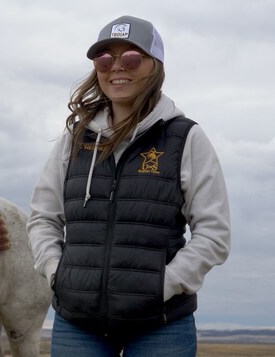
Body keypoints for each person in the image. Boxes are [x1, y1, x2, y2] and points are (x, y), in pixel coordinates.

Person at [27, 15, 231, 356]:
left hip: (161, 322)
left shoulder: (185, 138)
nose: (116, 67)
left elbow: (214, 232)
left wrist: (164, 285)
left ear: (155, 66)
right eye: (105, 59)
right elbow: (43, 218)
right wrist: (56, 272)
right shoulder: (74, 139)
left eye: (132, 57)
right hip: (78, 322)